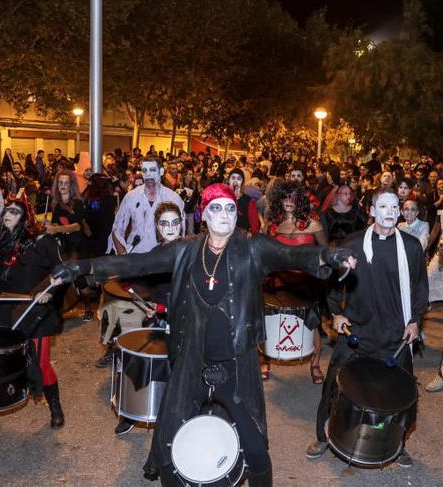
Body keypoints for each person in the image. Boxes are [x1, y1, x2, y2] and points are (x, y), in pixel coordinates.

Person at [51, 183, 355, 486]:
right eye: (216, 208)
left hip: (236, 365)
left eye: (230, 208)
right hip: (192, 362)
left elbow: (293, 256)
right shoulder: (184, 250)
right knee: (169, 448)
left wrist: (329, 256)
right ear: (204, 215)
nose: (224, 214)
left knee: (256, 451)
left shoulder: (252, 247)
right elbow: (136, 262)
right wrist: (81, 267)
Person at [306, 189, 428, 468]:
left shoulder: (410, 247)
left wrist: (415, 319)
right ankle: (323, 436)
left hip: (395, 333)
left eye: (394, 206)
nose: (389, 211)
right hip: (356, 331)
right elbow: (334, 282)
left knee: (402, 390)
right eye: (383, 206)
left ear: (399, 211)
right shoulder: (353, 243)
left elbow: (420, 286)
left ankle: (398, 442)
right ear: (372, 210)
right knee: (334, 384)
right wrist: (336, 313)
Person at [0, 200, 66, 427]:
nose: (9, 214)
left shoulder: (42, 242)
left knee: (41, 362)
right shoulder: (0, 243)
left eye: (16, 211)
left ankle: (55, 407)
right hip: (5, 309)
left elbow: (62, 271)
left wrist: (49, 291)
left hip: (35, 310)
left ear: (25, 218)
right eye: (7, 210)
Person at [112, 201, 184, 436]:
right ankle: (133, 411)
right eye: (164, 223)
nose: (170, 227)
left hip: (187, 320)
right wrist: (152, 305)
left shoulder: (191, 252)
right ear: (157, 227)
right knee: (140, 360)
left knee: (181, 374)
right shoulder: (155, 254)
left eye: (175, 222)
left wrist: (165, 307)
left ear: (181, 224)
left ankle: (181, 419)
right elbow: (151, 288)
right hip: (162, 319)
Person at [262, 180, 328, 383]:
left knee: (313, 323)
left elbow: (325, 252)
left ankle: (315, 364)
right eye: (285, 196)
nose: (288, 201)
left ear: (300, 200)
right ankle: (264, 360)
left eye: (293, 197)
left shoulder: (313, 224)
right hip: (278, 279)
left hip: (305, 281)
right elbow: (263, 249)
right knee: (266, 320)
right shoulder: (272, 223)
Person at [108, 156, 184, 254]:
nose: (148, 174)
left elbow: (181, 232)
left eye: (152, 170)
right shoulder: (131, 196)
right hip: (135, 254)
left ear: (161, 172)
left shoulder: (173, 198)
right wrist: (122, 255)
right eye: (144, 170)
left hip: (163, 258)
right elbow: (117, 228)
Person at [227, 168, 260, 233]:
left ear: (242, 182)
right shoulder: (223, 199)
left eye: (239, 179)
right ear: (228, 180)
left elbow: (255, 228)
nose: (235, 181)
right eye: (233, 178)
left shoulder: (249, 202)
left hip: (241, 241)